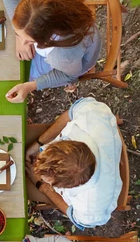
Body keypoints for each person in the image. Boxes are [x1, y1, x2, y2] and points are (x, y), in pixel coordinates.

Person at [0, 0, 101, 103]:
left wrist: (29, 86)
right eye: (22, 36)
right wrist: (19, 36)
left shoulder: (61, 55)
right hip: (76, 39)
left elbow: (70, 75)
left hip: (78, 61)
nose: (25, 43)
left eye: (30, 41)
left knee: (17, 73)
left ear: (47, 39)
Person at [25, 97, 122, 229]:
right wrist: (38, 145)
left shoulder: (90, 209)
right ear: (67, 144)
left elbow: (74, 216)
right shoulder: (91, 113)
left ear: (64, 187)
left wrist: (42, 186)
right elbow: (70, 113)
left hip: (102, 188)